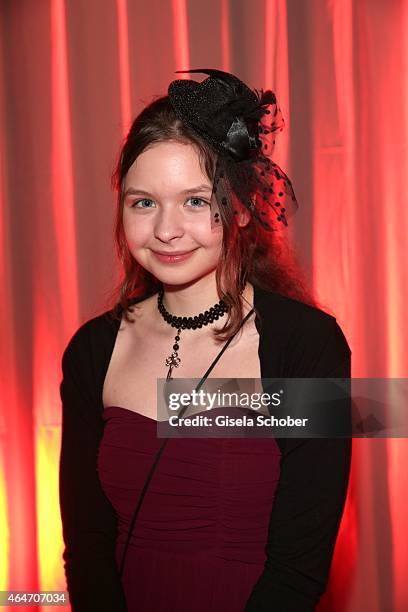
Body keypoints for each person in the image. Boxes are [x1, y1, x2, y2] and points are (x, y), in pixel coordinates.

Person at [59, 69, 352, 612]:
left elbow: (299, 567)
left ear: (240, 208)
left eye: (195, 201)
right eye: (143, 202)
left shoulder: (306, 347)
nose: (166, 229)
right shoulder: (91, 352)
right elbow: (87, 547)